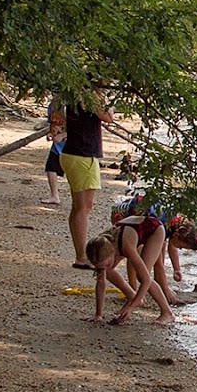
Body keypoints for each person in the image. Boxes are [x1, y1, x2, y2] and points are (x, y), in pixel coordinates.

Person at [111, 193, 197, 305]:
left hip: (143, 218)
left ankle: (138, 291)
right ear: (177, 236)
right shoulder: (163, 227)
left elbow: (171, 248)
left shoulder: (175, 227)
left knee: (142, 254)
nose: (180, 249)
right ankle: (132, 291)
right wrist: (165, 289)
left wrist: (177, 269)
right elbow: (158, 262)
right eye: (182, 246)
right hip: (123, 214)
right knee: (134, 252)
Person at [85, 215, 176, 326]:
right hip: (131, 232)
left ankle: (167, 313)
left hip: (154, 229)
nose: (104, 268)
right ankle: (132, 296)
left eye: (107, 263)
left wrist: (131, 308)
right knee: (107, 271)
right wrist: (98, 315)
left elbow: (146, 280)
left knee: (142, 275)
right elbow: (100, 283)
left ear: (113, 251)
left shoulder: (126, 246)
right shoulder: (99, 247)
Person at [60, 89, 114, 269]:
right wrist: (103, 96)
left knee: (78, 207)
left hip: (73, 153)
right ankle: (81, 257)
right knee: (83, 208)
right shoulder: (89, 95)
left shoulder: (75, 93)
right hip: (82, 154)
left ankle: (80, 255)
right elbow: (108, 116)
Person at [40, 100, 66, 206]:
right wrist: (51, 133)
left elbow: (78, 128)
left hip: (71, 146)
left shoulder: (70, 107)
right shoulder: (51, 106)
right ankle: (54, 195)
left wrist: (63, 135)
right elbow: (52, 123)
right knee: (51, 167)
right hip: (57, 145)